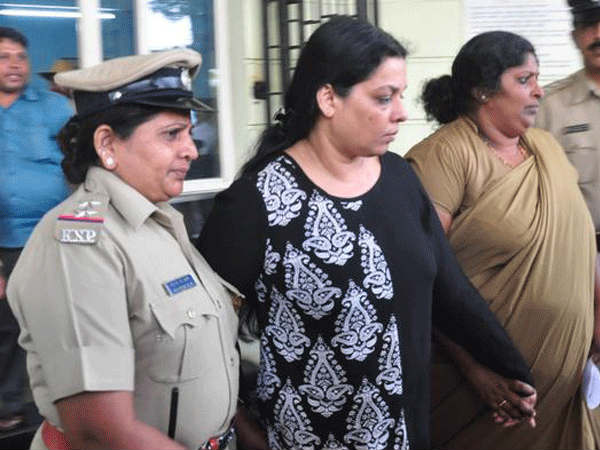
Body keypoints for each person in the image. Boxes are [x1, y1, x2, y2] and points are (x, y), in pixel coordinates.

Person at [197, 16, 537, 450]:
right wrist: (247, 435)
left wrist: (508, 368)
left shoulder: (398, 178)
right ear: (328, 99)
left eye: (400, 95)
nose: (401, 112)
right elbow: (203, 340)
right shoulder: (257, 202)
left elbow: (450, 292)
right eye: (383, 97)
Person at [5, 49, 259, 450]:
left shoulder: (159, 222)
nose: (191, 150)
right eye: (171, 134)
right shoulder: (80, 244)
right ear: (107, 143)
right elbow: (100, 431)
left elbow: (204, 366)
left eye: (189, 133)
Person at [406, 31, 599, 450]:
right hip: (478, 390)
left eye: (537, 78)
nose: (538, 91)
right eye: (524, 79)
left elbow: (580, 246)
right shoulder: (444, 156)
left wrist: (597, 322)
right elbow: (423, 277)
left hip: (566, 390)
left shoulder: (546, 148)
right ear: (483, 91)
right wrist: (477, 370)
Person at [0, 26, 72, 432]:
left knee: (61, 318)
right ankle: (9, 405)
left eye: (21, 57)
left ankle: (69, 400)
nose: (14, 64)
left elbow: (82, 162)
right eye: (4, 57)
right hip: (5, 243)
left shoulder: (53, 107)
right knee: (7, 325)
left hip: (54, 235)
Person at [536, 0, 600, 245]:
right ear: (574, 37)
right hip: (578, 248)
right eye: (588, 25)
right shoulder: (548, 107)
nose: (598, 34)